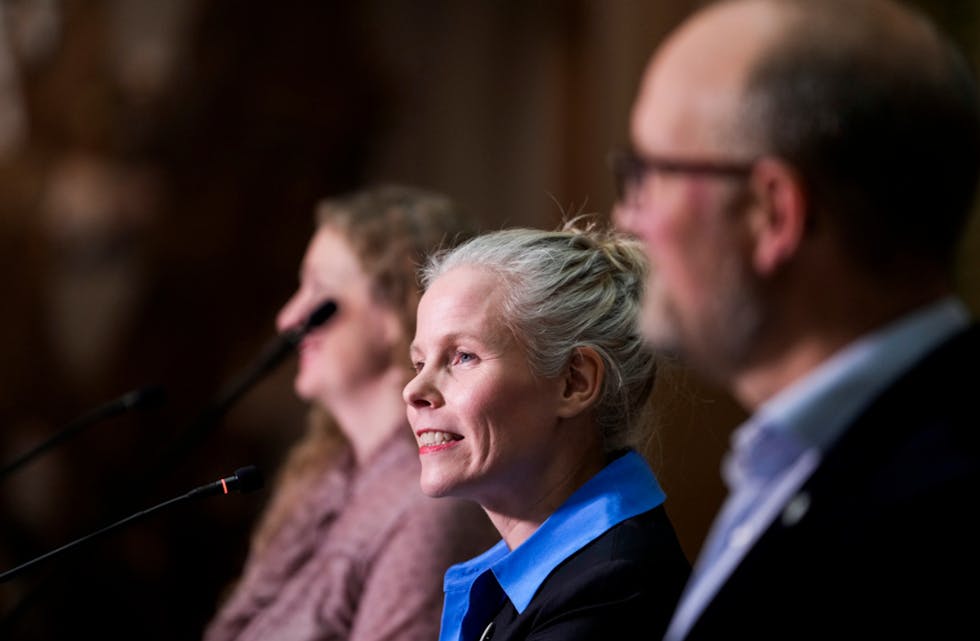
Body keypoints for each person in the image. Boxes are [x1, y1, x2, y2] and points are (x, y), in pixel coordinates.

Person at [612, 0, 980, 638]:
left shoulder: (936, 517)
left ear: (770, 214)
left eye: (649, 174)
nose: (629, 218)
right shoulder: (807, 457)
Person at [203, 185, 499, 641]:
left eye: (319, 291)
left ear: (396, 309)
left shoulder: (428, 507)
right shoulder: (325, 480)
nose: (287, 318)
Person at [402, 220, 691, 641]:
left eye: (463, 356)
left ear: (575, 382)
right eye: (418, 363)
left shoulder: (613, 591)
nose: (414, 390)